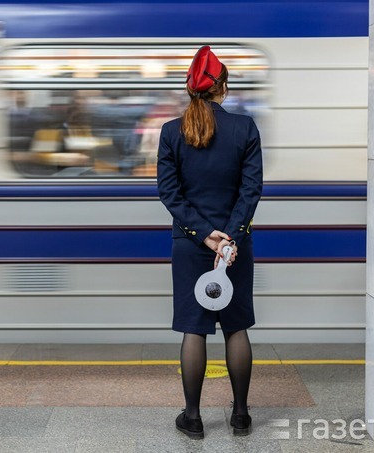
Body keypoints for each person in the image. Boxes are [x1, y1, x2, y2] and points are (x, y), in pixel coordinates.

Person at [156, 45, 263, 439]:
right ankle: (240, 416)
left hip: (189, 245)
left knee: (194, 328)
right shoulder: (245, 128)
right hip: (236, 247)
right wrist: (228, 238)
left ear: (191, 89)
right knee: (236, 327)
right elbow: (251, 191)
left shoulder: (171, 133)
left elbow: (170, 194)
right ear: (223, 87)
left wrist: (204, 235)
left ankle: (194, 418)